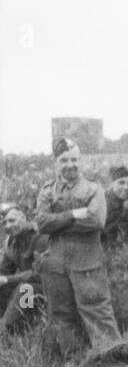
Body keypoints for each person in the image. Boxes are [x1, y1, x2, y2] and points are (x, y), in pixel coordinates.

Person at [35, 138, 121, 355]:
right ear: (56, 163)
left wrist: (58, 223)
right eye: (64, 160)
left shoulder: (94, 189)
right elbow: (43, 223)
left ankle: (115, 360)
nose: (70, 164)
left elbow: (96, 221)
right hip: (55, 263)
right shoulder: (47, 191)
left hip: (87, 261)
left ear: (80, 161)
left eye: (74, 159)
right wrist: (73, 214)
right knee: (61, 315)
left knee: (97, 312)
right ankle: (75, 364)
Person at [0, 203, 42, 335]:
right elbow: (5, 271)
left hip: (49, 289)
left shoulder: (40, 236)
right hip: (28, 289)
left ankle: (5, 331)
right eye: (4, 223)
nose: (8, 226)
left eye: (12, 220)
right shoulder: (11, 243)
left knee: (25, 288)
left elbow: (39, 274)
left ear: (23, 217)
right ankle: (10, 324)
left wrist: (7, 279)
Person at [102, 167, 128, 247]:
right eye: (121, 183)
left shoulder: (121, 202)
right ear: (112, 183)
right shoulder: (103, 203)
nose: (126, 187)